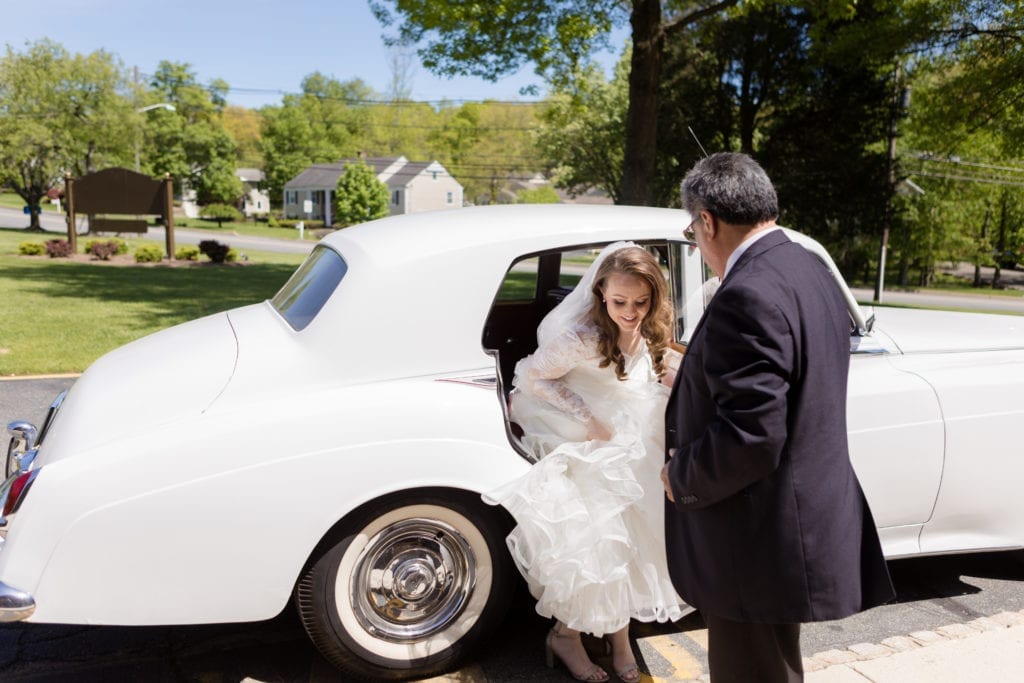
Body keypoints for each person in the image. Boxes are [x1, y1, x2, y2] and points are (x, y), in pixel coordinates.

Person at [661, 152, 895, 682]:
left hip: (755, 529)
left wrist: (681, 475)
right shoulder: (807, 267)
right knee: (774, 667)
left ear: (707, 222)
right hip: (788, 520)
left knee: (751, 671)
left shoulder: (747, 291)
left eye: (692, 231)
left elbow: (753, 434)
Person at [486, 243, 688, 683]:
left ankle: (619, 639)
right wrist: (590, 421)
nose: (630, 312)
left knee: (635, 542)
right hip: (586, 431)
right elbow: (533, 376)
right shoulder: (585, 337)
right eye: (619, 302)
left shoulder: (652, 328)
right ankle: (566, 636)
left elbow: (649, 367)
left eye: (641, 302)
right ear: (600, 295)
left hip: (635, 428)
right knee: (598, 540)